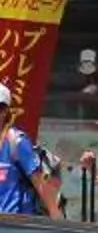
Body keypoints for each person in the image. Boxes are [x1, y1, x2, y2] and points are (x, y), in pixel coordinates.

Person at [0, 84, 60, 218]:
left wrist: (56, 217)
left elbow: (39, 182)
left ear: (4, 111)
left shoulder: (16, 142)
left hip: (14, 226)